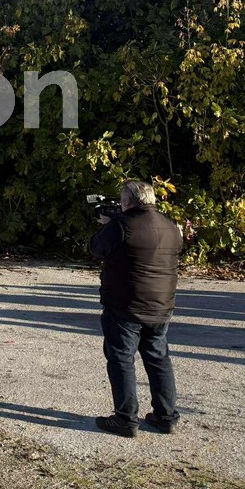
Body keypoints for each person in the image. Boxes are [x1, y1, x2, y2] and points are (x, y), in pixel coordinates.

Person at [90, 179, 183, 437]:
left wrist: (108, 225)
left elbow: (95, 248)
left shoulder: (121, 225)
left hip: (125, 304)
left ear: (128, 202)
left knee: (121, 359)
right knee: (158, 359)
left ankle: (125, 418)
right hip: (161, 305)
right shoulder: (171, 226)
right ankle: (166, 416)